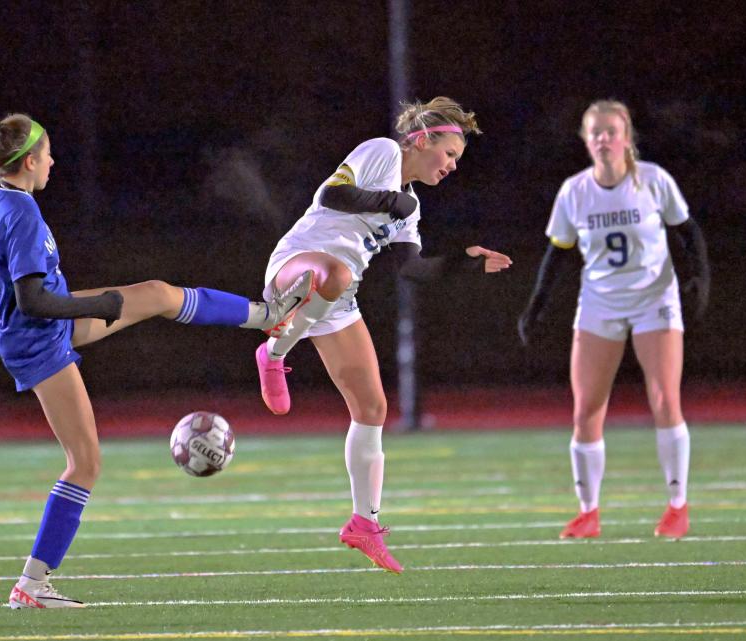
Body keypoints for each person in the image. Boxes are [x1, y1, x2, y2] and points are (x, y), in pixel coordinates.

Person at [0, 59, 312, 608]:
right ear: (29, 161)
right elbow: (34, 299)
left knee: (155, 294)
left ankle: (265, 316)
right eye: (49, 153)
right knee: (87, 463)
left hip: (35, 325)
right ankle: (31, 584)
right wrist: (98, 304)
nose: (54, 161)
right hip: (37, 337)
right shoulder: (21, 215)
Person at [254, 97, 512, 573]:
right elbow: (334, 196)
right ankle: (273, 350)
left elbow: (411, 270)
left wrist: (466, 261)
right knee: (329, 273)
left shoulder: (410, 209)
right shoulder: (383, 153)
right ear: (421, 140)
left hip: (335, 297)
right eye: (450, 154)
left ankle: (364, 524)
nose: (453, 166)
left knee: (372, 408)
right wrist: (393, 199)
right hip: (297, 268)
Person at [517, 99, 710, 540]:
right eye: (595, 132)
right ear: (586, 140)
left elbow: (688, 229)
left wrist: (701, 277)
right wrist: (536, 304)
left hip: (653, 298)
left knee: (664, 398)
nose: (603, 139)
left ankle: (677, 506)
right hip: (600, 302)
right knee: (586, 409)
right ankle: (589, 512)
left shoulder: (654, 181)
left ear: (627, 137)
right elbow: (557, 251)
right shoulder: (575, 191)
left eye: (611, 130)